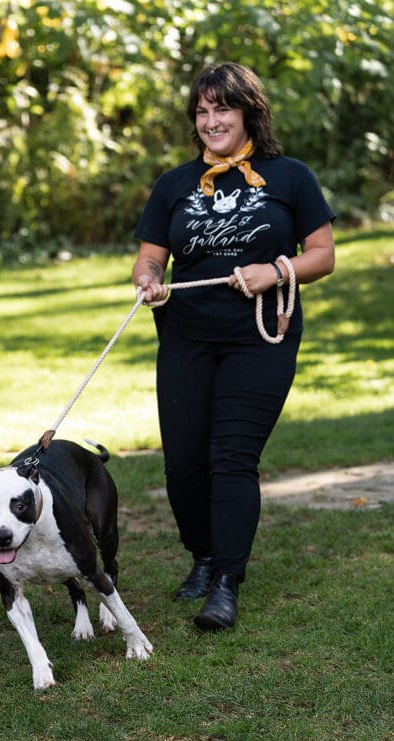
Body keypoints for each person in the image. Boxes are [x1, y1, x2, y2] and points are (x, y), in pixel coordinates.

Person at [132, 62, 335, 631]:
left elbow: (323, 254)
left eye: (222, 108)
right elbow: (150, 256)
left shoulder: (290, 176)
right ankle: (201, 554)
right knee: (183, 465)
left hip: (260, 338)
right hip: (186, 337)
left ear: (249, 112)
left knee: (231, 457)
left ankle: (225, 581)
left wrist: (276, 271)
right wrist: (148, 279)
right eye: (202, 110)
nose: (211, 120)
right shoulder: (173, 185)